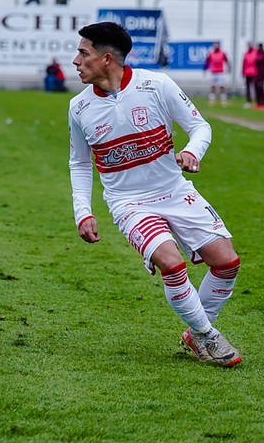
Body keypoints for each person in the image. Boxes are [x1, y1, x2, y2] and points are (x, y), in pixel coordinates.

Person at [68, 22, 242, 367]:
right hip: (129, 203)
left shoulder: (156, 85)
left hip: (174, 190)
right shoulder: (79, 108)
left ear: (106, 59)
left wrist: (193, 152)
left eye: (82, 52)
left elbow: (200, 127)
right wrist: (82, 211)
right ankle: (209, 337)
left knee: (227, 263)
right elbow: (79, 163)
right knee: (171, 263)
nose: (75, 60)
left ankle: (194, 332)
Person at [204, 41, 230, 106]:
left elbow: (227, 61)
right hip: (213, 72)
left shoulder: (222, 53)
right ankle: (212, 100)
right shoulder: (211, 53)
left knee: (222, 86)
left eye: (217, 44)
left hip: (220, 72)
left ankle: (223, 100)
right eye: (215, 45)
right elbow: (207, 61)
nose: (216, 46)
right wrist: (205, 69)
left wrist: (229, 68)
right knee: (213, 86)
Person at [241, 42, 258, 108]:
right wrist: (242, 72)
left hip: (254, 72)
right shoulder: (246, 53)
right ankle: (249, 101)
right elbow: (244, 63)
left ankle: (256, 101)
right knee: (248, 88)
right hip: (247, 72)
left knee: (254, 88)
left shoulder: (255, 52)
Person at [254, 43, 264, 110]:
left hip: (261, 74)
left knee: (261, 88)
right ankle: (258, 103)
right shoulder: (257, 54)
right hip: (256, 73)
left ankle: (263, 103)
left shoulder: (263, 55)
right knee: (256, 88)